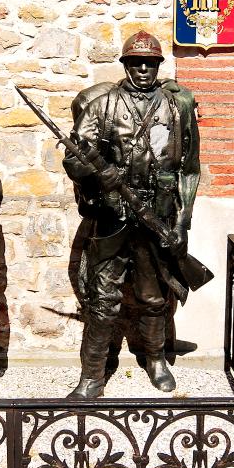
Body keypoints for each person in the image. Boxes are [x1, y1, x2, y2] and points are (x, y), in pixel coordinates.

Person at [63, 30, 200, 400]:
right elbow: (74, 156)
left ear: (158, 65)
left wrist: (182, 222)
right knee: (102, 299)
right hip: (113, 217)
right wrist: (98, 173)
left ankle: (156, 359)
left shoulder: (177, 106)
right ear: (125, 64)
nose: (143, 68)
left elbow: (190, 168)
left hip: (158, 215)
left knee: (154, 297)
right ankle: (92, 375)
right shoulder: (103, 104)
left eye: (150, 62)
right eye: (136, 62)